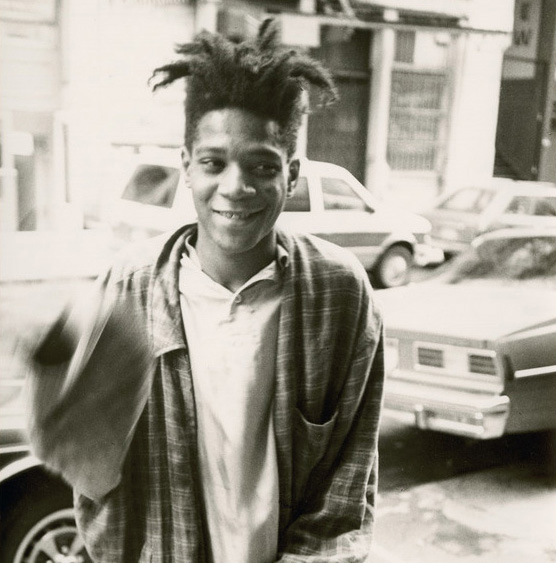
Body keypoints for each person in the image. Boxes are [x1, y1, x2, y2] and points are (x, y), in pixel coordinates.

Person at [43, 18, 384, 562]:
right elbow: (93, 477)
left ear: (291, 175)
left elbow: (347, 488)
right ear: (186, 167)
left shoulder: (339, 295)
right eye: (213, 163)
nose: (235, 187)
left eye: (262, 166)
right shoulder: (126, 292)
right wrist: (58, 393)